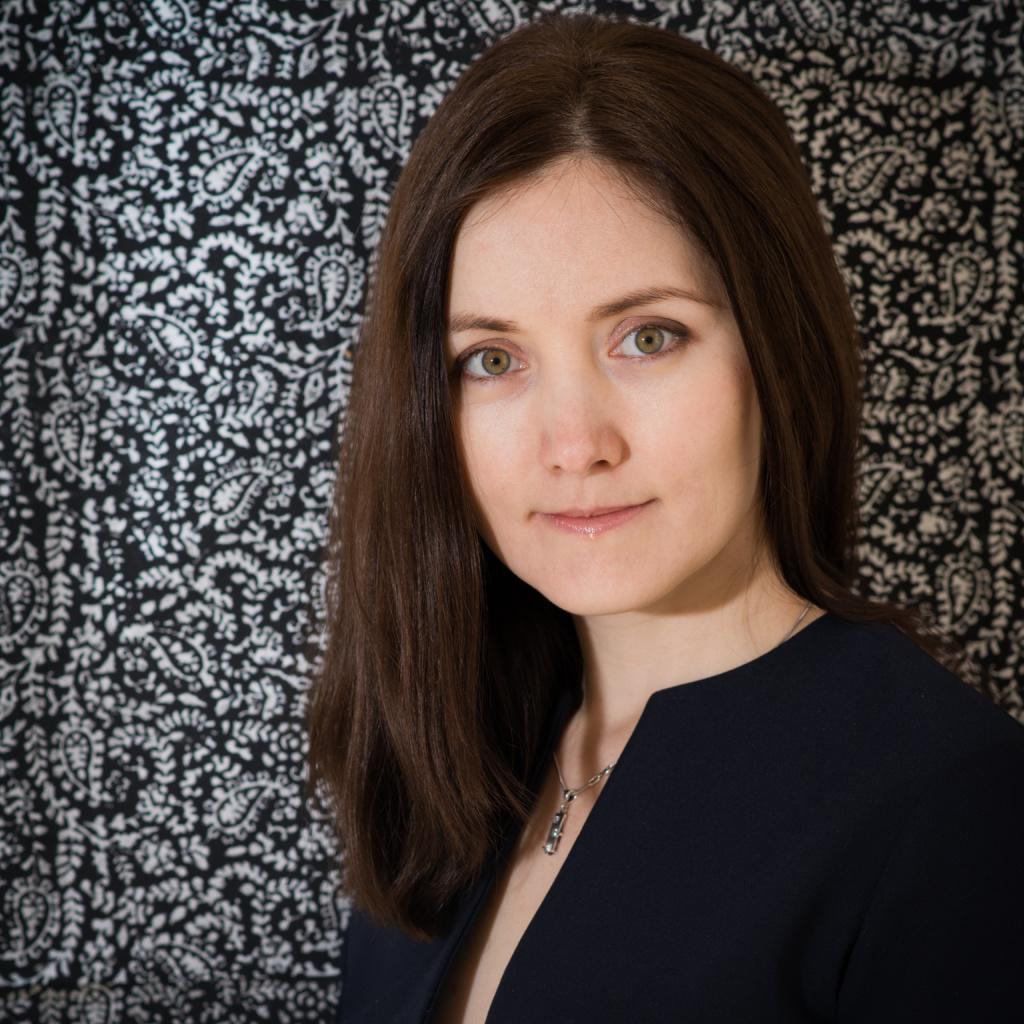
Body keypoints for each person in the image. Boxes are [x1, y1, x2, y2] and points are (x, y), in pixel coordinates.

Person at [304, 11, 1024, 1023]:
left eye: (648, 336)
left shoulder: (955, 806)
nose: (575, 444)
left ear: (777, 348)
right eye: (493, 360)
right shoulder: (456, 763)